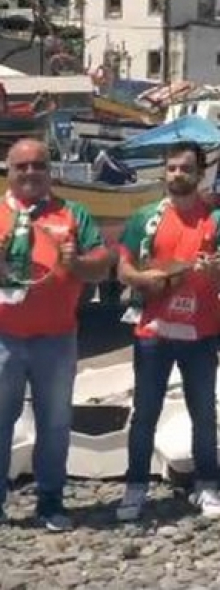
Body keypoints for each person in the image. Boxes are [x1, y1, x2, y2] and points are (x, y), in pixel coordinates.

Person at [114, 142, 220, 522]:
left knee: (203, 411)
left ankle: (207, 485)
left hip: (200, 334)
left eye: (185, 169)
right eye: (171, 168)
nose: (177, 175)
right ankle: (135, 488)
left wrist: (212, 269)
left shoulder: (217, 221)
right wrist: (145, 279)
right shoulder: (146, 218)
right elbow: (124, 269)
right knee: (145, 413)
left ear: (200, 175)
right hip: (153, 334)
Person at [0, 138, 115, 531]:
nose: (31, 172)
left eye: (39, 165)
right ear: (9, 170)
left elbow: (102, 266)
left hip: (57, 338)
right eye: (22, 166)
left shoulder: (73, 213)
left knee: (54, 423)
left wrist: (78, 262)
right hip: (3, 338)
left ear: (50, 171)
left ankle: (50, 501)